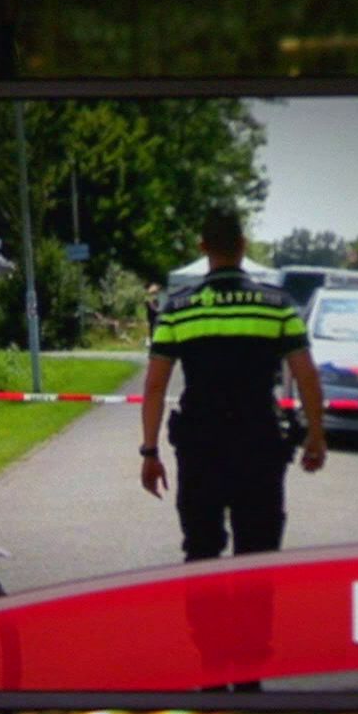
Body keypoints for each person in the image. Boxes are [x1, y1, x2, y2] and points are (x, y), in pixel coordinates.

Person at [139, 209, 328, 559]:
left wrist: (150, 452)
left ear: (203, 247)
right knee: (258, 556)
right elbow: (307, 376)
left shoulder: (177, 308)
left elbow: (154, 387)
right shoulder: (278, 305)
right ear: (243, 245)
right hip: (259, 443)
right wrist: (315, 435)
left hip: (200, 446)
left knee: (201, 551)